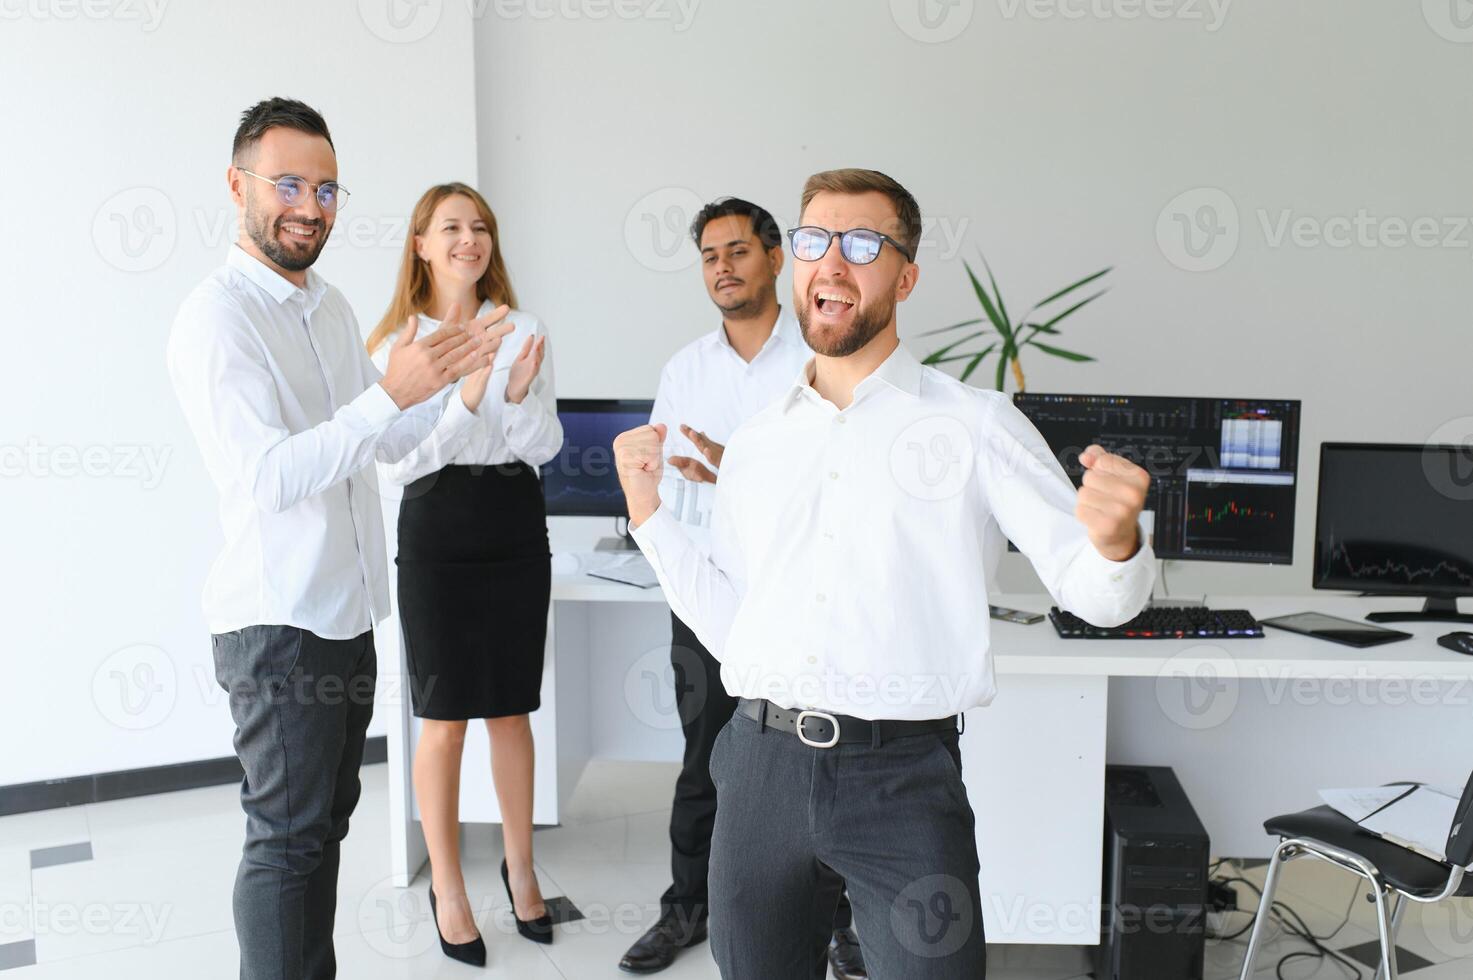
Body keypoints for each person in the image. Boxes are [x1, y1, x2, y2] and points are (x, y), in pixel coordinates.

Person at [613, 168, 1155, 978]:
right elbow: (735, 625)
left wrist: (1117, 547)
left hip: (901, 780)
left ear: (904, 275)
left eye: (861, 243)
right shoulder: (758, 442)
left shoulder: (973, 423)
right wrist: (648, 517)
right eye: (812, 241)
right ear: (793, 263)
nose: (831, 261)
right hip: (759, 769)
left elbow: (1093, 592)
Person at [166, 98, 511, 980]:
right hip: (278, 625)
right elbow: (269, 477)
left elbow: (385, 446)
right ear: (237, 185)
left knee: (320, 832)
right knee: (286, 843)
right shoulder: (218, 318)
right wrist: (390, 394)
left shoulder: (327, 305)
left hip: (346, 614)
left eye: (325, 188)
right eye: (288, 183)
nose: (310, 205)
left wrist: (451, 380)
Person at [618, 198, 866, 978]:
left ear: (772, 257)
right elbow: (655, 477)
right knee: (705, 757)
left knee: (825, 764)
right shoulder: (685, 368)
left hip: (804, 601)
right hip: (706, 598)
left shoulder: (820, 358)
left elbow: (845, 484)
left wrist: (737, 467)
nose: (721, 268)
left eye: (737, 251)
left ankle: (839, 924)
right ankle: (685, 910)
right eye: (709, 256)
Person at [366, 183, 562, 963]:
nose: (467, 240)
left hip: (514, 521)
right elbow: (397, 459)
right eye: (449, 228)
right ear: (419, 243)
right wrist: (468, 401)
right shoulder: (398, 344)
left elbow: (543, 442)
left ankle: (521, 870)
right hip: (437, 525)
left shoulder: (524, 328)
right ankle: (448, 887)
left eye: (479, 227)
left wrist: (510, 395)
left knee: (512, 711)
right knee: (441, 717)